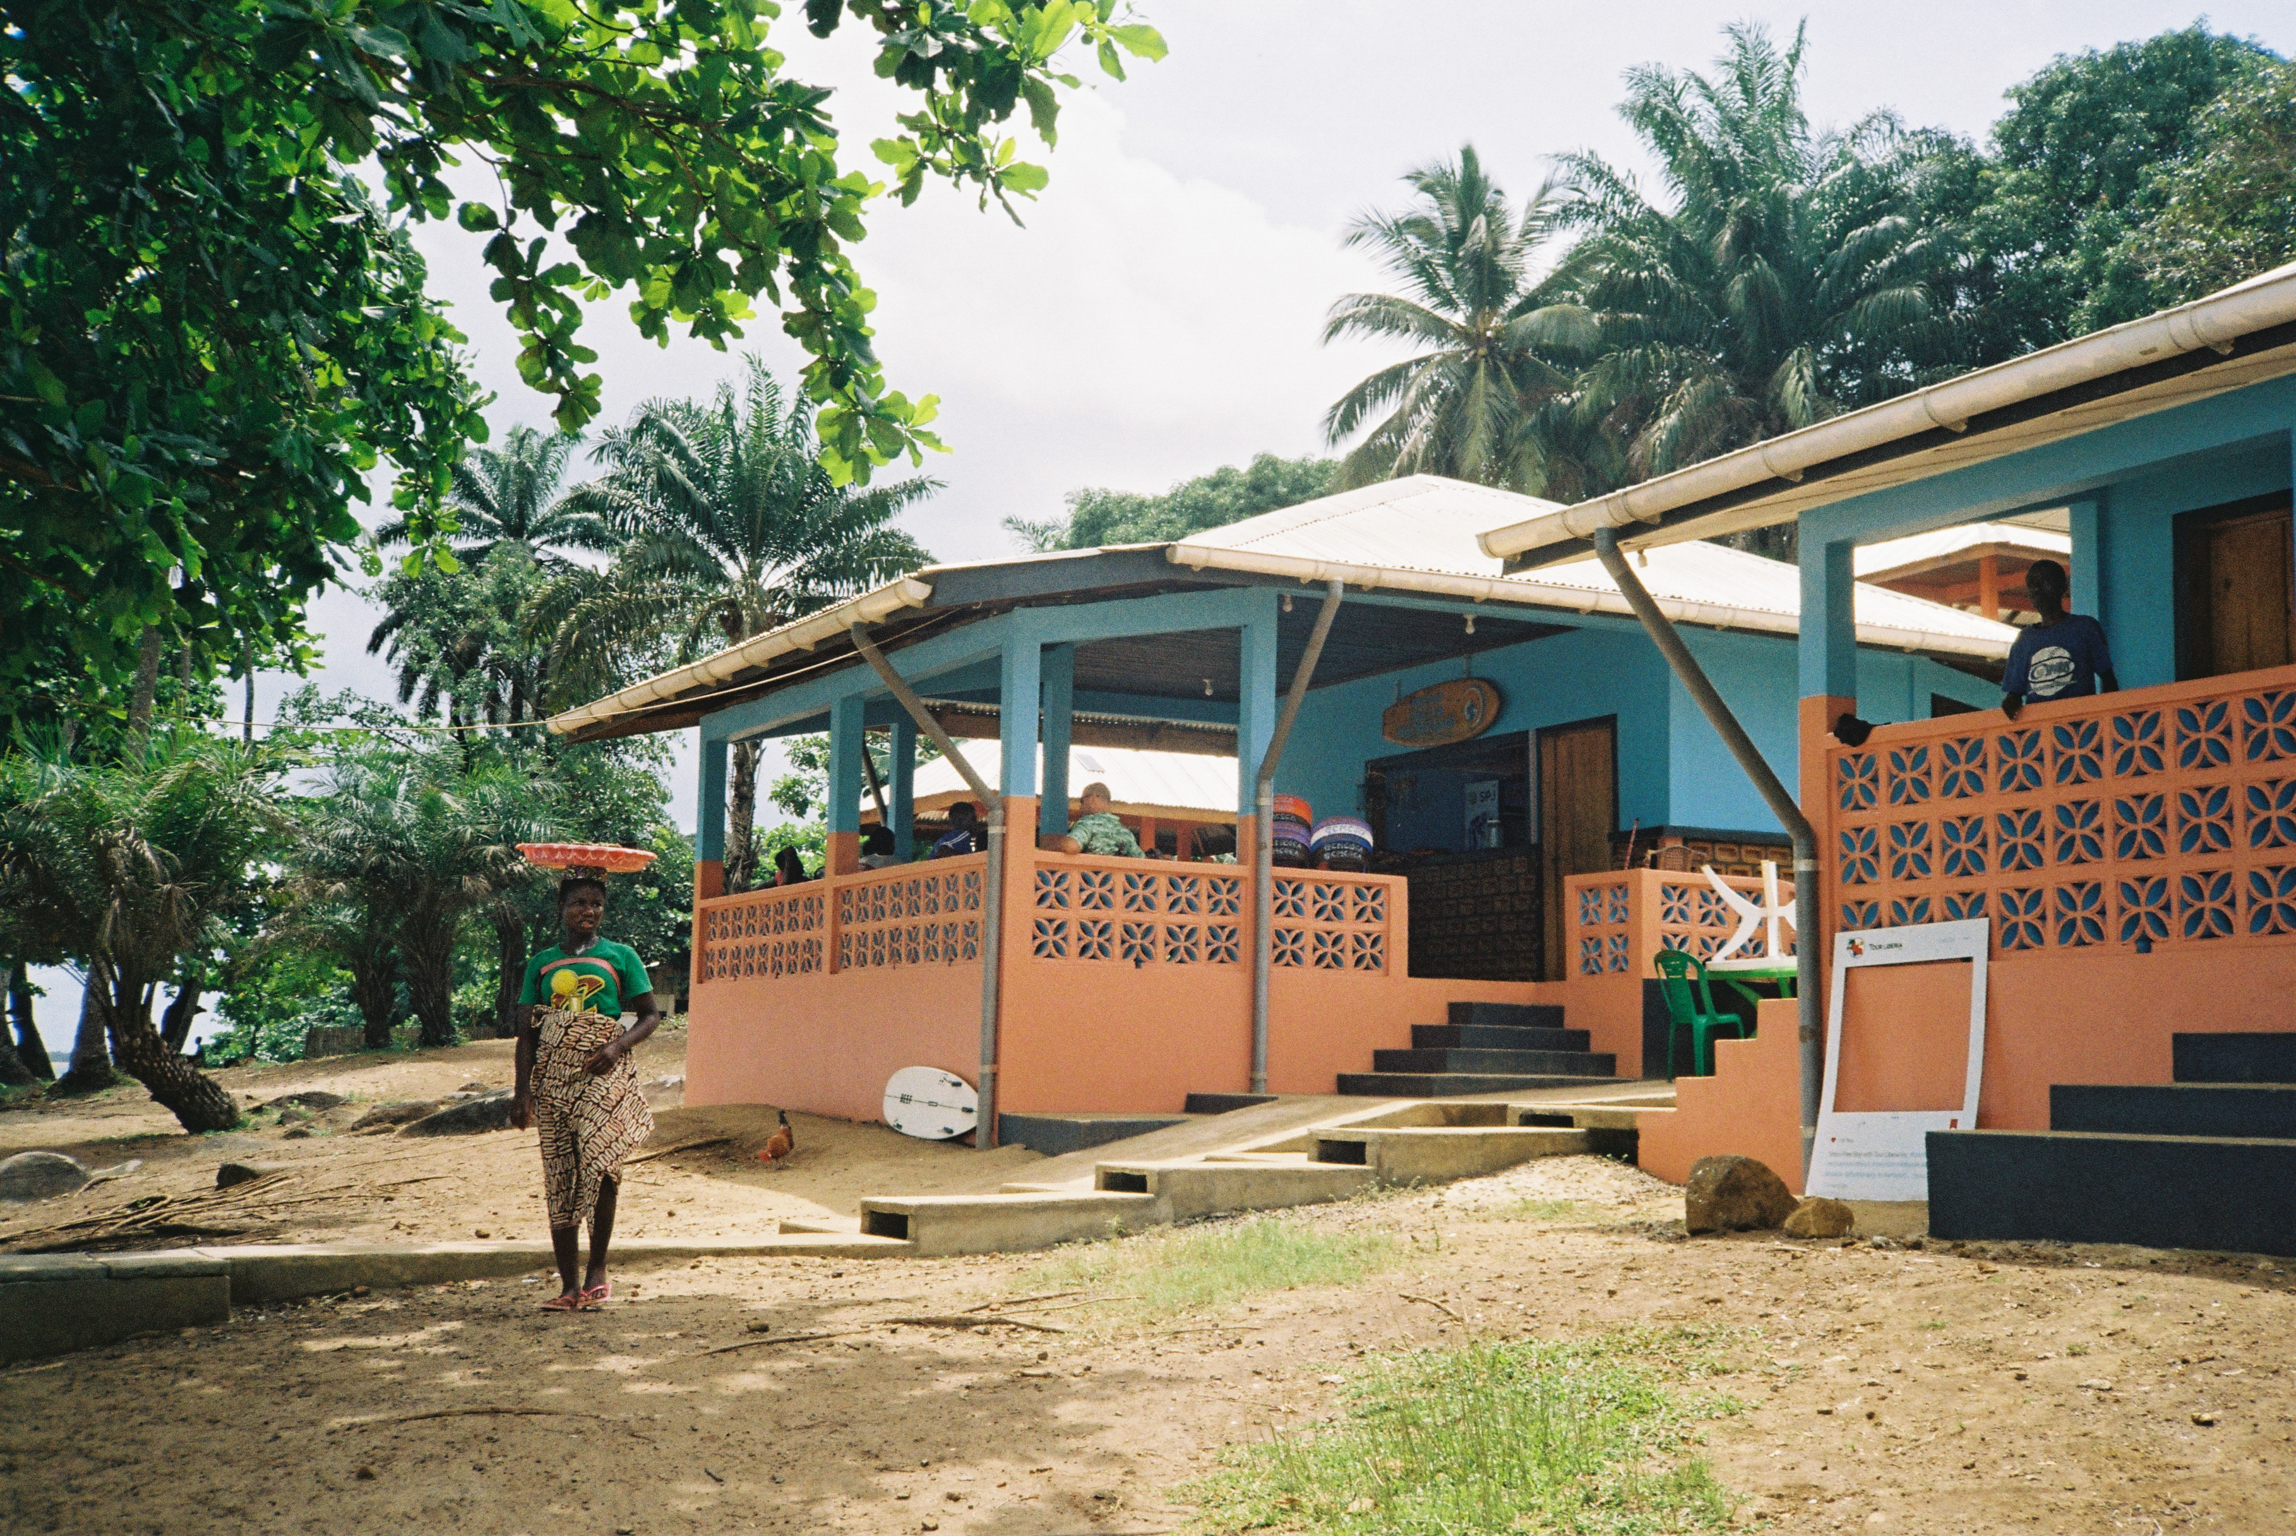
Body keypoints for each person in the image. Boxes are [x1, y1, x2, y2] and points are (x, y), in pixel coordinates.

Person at [510, 874, 660, 1312]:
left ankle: (598, 1269)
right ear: (562, 908)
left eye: (596, 903)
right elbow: (526, 1035)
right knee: (559, 1174)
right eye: (578, 902)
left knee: (602, 1165)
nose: (587, 911)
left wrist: (616, 1047)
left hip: (602, 1076)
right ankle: (568, 1284)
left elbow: (650, 1016)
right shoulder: (541, 963)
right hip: (552, 1080)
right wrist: (523, 1093)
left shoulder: (621, 956)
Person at [2001, 559, 2116, 720]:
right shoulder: (2024, 640)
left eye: (2043, 581)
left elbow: (2109, 681)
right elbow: (2014, 695)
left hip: (2081, 727)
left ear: (2063, 587)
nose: (2035, 589)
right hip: (2042, 731)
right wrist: (2010, 703)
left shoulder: (2084, 628)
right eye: (2031, 584)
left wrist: (2107, 719)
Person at [1044, 781, 1143, 857]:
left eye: (1082, 801)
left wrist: (1052, 846)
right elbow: (1141, 860)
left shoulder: (1089, 823)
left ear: (1092, 799)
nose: (1080, 807)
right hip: (1117, 883)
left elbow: (1071, 846)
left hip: (1088, 881)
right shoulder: (1125, 833)